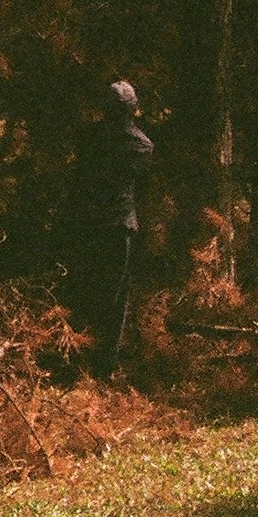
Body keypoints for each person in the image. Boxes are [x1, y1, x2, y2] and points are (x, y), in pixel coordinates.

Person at [69, 79, 155, 373]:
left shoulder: (87, 138)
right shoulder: (142, 146)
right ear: (134, 109)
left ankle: (76, 358)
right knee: (115, 298)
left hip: (86, 223)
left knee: (84, 289)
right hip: (119, 226)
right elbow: (144, 189)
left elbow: (78, 180)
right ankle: (105, 365)